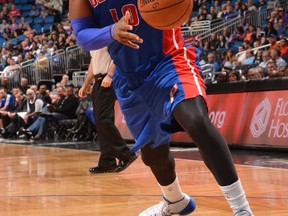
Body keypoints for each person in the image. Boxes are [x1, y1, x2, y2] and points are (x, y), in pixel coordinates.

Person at [70, 1, 254, 216]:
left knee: (195, 120)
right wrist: (111, 31)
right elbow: (82, 35)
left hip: (169, 60)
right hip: (129, 77)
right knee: (152, 156)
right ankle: (175, 201)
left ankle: (242, 210)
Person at [78, 47, 137, 173]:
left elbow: (119, 57)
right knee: (102, 121)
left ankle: (126, 154)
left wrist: (110, 75)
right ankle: (107, 162)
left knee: (102, 119)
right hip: (98, 80)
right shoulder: (93, 40)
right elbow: (93, 63)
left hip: (110, 78)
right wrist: (86, 84)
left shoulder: (108, 34)